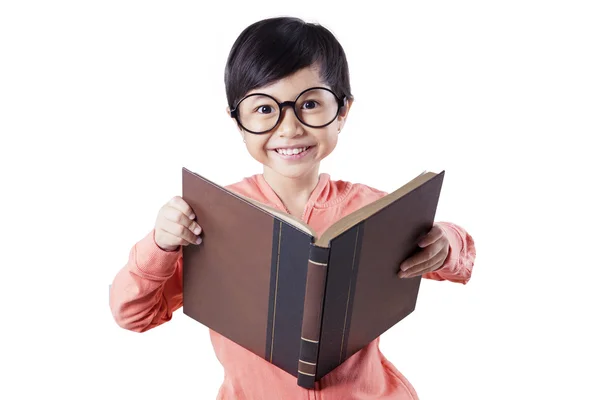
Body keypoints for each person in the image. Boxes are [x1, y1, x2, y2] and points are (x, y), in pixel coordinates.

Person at [108, 16, 476, 400]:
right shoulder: (209, 217)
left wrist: (445, 242)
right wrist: (161, 244)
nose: (289, 128)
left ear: (343, 111)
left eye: (311, 104)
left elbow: (461, 258)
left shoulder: (371, 208)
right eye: (265, 109)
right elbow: (132, 314)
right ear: (238, 120)